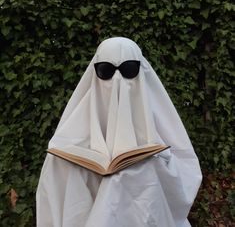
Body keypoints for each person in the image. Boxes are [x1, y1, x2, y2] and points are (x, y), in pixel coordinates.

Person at [36, 37, 202, 227]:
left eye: (128, 70)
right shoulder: (72, 130)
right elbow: (56, 190)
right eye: (105, 71)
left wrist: (155, 164)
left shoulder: (160, 118)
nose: (116, 79)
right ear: (94, 72)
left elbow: (186, 167)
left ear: (141, 70)